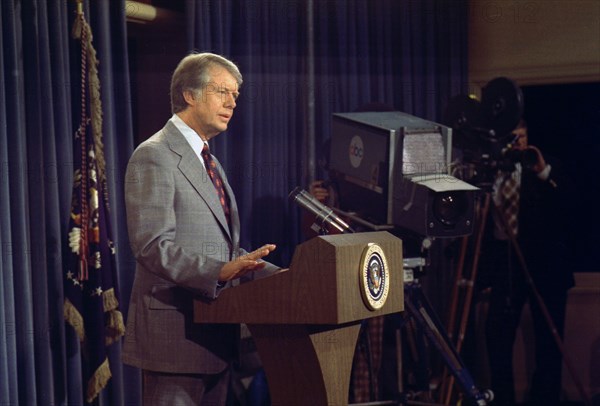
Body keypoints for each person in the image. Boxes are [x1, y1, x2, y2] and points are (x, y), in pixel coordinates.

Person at [122, 52, 282, 406]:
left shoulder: (207, 158)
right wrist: (219, 271)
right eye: (221, 91)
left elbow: (221, 249)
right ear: (190, 95)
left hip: (215, 339)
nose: (231, 102)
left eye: (236, 95)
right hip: (175, 340)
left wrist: (290, 279)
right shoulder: (155, 154)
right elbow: (151, 245)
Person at [479, 119, 576, 405]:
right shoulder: (491, 174)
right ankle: (502, 399)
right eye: (512, 138)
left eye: (522, 136)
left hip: (545, 267)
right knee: (496, 335)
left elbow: (571, 206)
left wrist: (544, 171)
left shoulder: (542, 167)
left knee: (549, 340)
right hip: (505, 267)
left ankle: (545, 400)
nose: (518, 143)